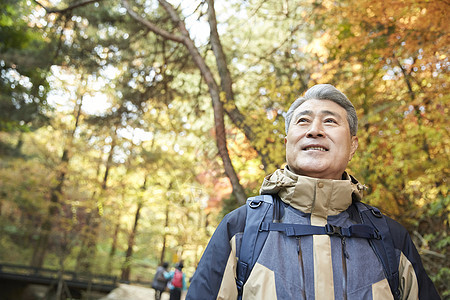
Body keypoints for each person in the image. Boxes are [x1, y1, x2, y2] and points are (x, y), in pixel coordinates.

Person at [186, 84, 440, 299]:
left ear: (353, 146)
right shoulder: (241, 230)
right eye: (303, 121)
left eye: (330, 121)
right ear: (288, 143)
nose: (314, 130)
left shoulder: (391, 239)